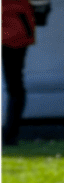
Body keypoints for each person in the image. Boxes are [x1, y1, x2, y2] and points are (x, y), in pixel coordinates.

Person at [2, 0, 37, 145]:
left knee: (14, 85)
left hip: (15, 25)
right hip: (17, 26)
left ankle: (9, 134)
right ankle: (10, 135)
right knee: (15, 84)